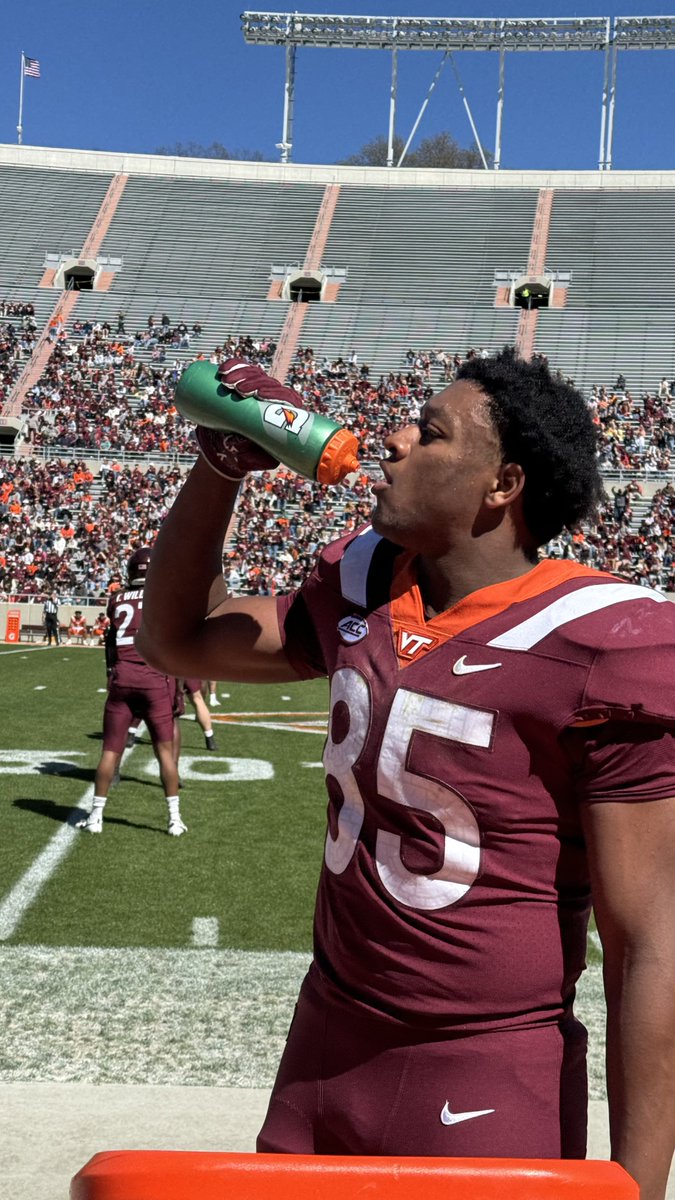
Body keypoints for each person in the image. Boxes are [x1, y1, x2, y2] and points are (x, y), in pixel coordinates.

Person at [138, 350, 675, 1199]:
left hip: (488, 1066)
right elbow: (175, 640)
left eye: (427, 433)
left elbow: (648, 945)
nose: (390, 440)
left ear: (501, 485)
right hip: (327, 1040)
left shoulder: (602, 643)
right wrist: (220, 464)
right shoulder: (367, 583)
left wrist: (636, 1185)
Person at [78, 546, 187, 837]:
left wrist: (111, 674)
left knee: (110, 751)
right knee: (164, 753)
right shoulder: (163, 598)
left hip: (122, 676)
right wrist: (177, 690)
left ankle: (95, 817)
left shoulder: (115, 600)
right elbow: (171, 646)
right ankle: (174, 819)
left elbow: (111, 645)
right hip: (154, 679)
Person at [176, 678, 217, 751]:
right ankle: (210, 738)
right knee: (198, 698)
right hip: (188, 670)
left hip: (170, 672)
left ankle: (167, 739)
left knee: (166, 702)